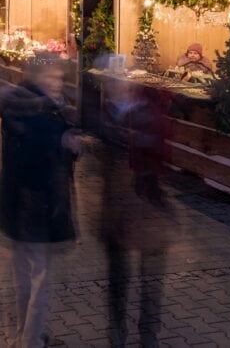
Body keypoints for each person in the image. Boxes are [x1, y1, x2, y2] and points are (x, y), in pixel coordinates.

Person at [0, 56, 82, 348]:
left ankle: (24, 335)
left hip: (14, 202)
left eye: (60, 78)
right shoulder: (41, 113)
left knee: (23, 278)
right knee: (40, 280)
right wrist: (64, 143)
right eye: (54, 78)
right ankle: (31, 341)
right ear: (38, 78)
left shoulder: (18, 106)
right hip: (36, 204)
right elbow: (38, 154)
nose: (59, 84)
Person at [98, 78, 174, 347]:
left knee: (149, 283)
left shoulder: (145, 113)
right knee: (120, 282)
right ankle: (118, 335)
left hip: (147, 211)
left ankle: (146, 337)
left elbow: (160, 151)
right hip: (118, 215)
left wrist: (136, 140)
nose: (117, 89)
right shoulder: (107, 115)